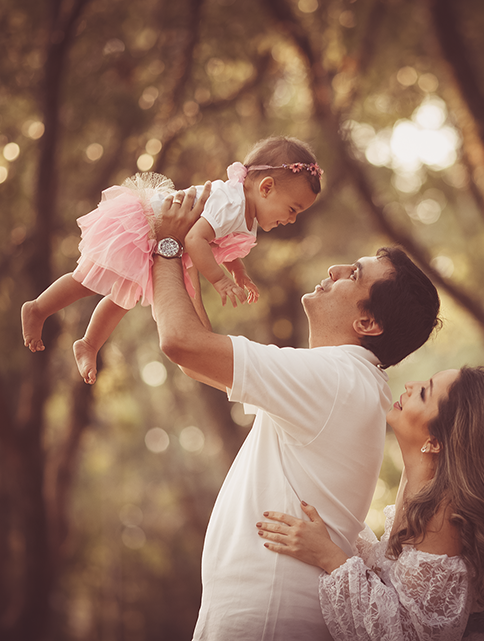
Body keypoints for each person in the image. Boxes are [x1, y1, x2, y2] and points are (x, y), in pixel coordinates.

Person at [148, 185, 442, 640]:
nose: (335, 268)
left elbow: (180, 344)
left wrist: (167, 245)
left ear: (367, 323)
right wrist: (186, 257)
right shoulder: (342, 381)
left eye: (354, 274)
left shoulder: (336, 379)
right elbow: (196, 360)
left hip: (266, 619)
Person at [257, 367, 484, 641]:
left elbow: (407, 635)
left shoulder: (444, 517)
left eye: (424, 392)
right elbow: (394, 575)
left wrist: (329, 557)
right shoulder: (422, 484)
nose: (411, 385)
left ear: (435, 441)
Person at [20, 136, 322, 384]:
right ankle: (37, 308)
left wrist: (239, 273)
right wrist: (219, 281)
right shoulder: (230, 203)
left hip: (164, 242)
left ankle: (89, 343)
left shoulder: (248, 216)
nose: (292, 219)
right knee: (89, 280)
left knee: (123, 297)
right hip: (148, 226)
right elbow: (194, 239)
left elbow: (225, 248)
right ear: (266, 187)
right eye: (292, 209)